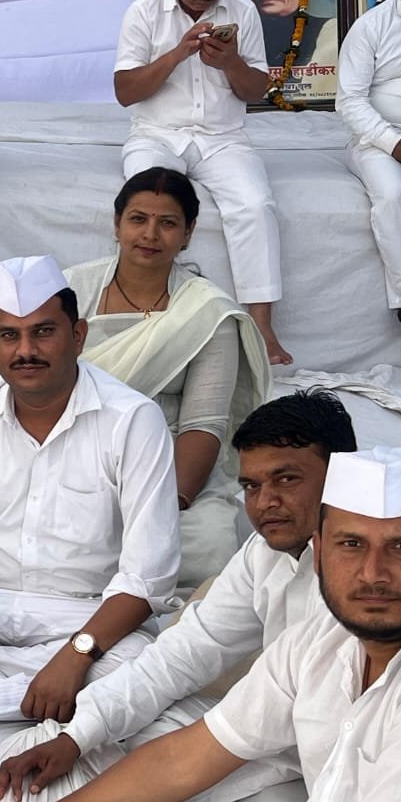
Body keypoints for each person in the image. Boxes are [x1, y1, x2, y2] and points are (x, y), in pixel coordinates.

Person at [0, 445, 401, 802]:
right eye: (351, 544)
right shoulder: (319, 643)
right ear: (319, 554)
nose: (374, 573)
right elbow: (183, 759)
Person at [0, 389, 357, 802]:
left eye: (286, 479)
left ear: (342, 477)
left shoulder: (368, 587)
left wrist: (123, 796)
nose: (266, 502)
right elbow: (184, 654)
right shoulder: (264, 554)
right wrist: (78, 737)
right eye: (251, 486)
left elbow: (274, 724)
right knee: (110, 725)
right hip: (261, 738)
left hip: (335, 774)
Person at [0, 255, 181, 721]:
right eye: (10, 336)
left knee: (138, 658)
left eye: (43, 332)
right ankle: (39, 691)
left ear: (78, 335)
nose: (25, 350)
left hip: (82, 610)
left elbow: (147, 578)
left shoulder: (133, 419)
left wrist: (77, 653)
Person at [66, 167, 271, 587]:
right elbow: (35, 383)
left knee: (208, 546)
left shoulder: (208, 311)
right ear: (117, 224)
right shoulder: (72, 289)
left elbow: (203, 424)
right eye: (138, 219)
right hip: (70, 445)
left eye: (168, 223)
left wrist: (162, 504)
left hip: (165, 462)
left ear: (188, 232)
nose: (150, 234)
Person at [115, 0, 292, 365]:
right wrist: (177, 54)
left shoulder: (242, 9)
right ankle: (148, 314)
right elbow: (125, 92)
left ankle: (262, 327)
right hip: (157, 134)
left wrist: (231, 63)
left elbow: (255, 90)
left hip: (223, 138)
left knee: (255, 204)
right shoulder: (144, 11)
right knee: (150, 203)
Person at [337, 0, 401, 331]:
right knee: (393, 194)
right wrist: (395, 144)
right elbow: (350, 100)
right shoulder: (372, 25)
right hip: (379, 138)